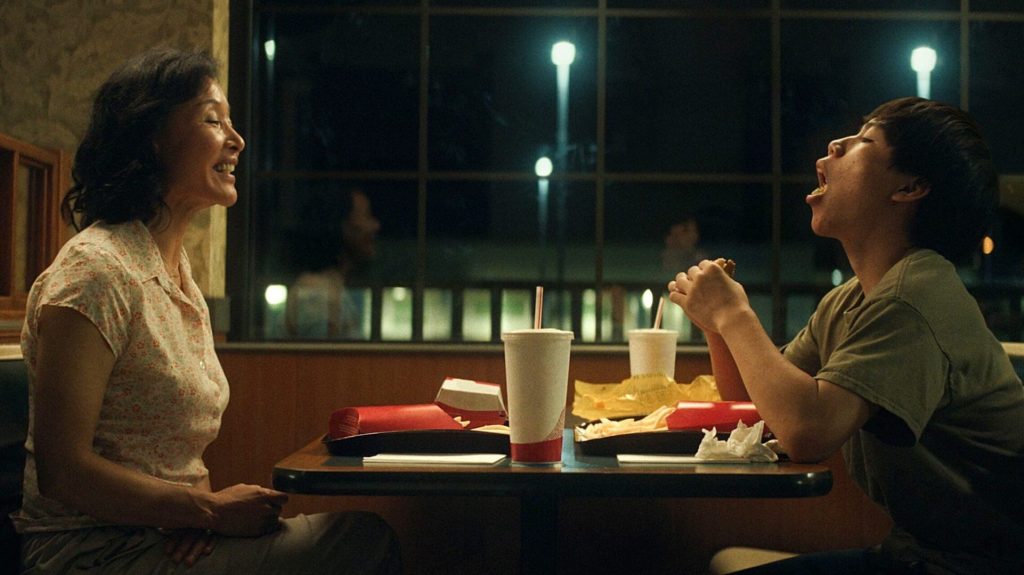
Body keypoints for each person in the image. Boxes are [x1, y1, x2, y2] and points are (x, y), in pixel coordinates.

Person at [13, 48, 401, 573]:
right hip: (90, 549)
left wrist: (197, 517)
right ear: (151, 137)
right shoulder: (96, 271)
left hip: (164, 532)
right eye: (213, 120)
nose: (236, 140)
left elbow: (177, 451)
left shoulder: (177, 274)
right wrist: (205, 511)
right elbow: (63, 471)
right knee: (360, 542)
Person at [669, 97, 1024, 574]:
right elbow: (759, 409)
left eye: (863, 141)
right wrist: (717, 325)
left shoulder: (913, 297)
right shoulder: (855, 299)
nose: (833, 147)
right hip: (919, 554)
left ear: (910, 187)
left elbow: (807, 432)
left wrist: (734, 315)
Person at [285, 186, 380, 339]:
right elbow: (317, 361)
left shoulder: (327, 289)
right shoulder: (316, 295)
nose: (375, 226)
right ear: (340, 227)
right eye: (366, 216)